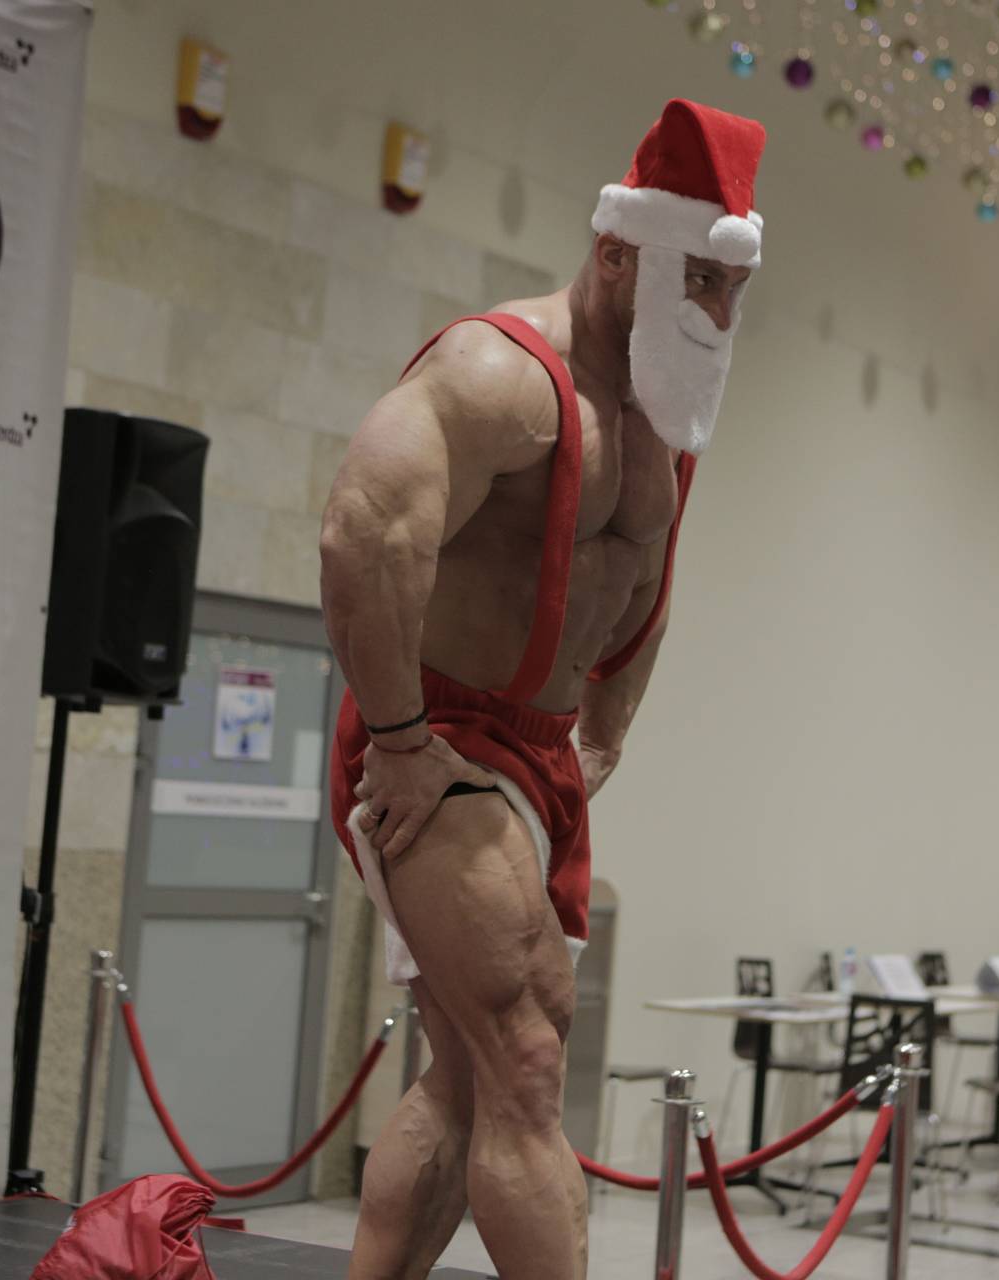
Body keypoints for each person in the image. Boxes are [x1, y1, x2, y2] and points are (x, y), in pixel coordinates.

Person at [319, 99, 767, 1278]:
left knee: (471, 1077)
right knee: (527, 1047)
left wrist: (604, 729)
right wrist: (402, 739)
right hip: (437, 735)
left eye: (733, 286)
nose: (718, 313)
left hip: (537, 748)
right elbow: (364, 530)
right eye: (699, 279)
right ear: (619, 251)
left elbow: (648, 575)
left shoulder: (666, 407)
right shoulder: (499, 373)